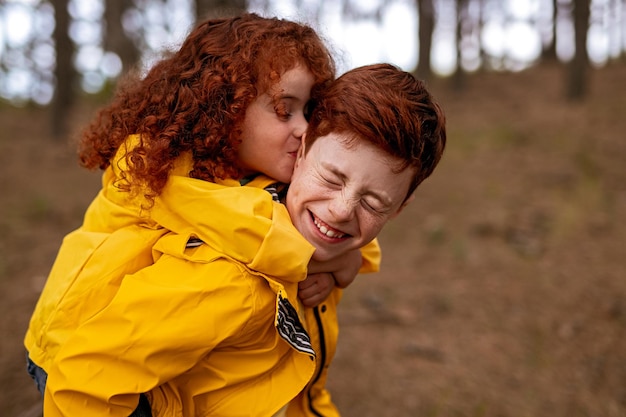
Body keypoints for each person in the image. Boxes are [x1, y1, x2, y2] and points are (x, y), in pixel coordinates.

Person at [34, 62, 446, 416]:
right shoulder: (230, 282)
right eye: (332, 178)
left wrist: (345, 263)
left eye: (373, 202)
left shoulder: (304, 219)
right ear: (301, 153)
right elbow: (83, 380)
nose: (340, 210)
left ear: (400, 207)